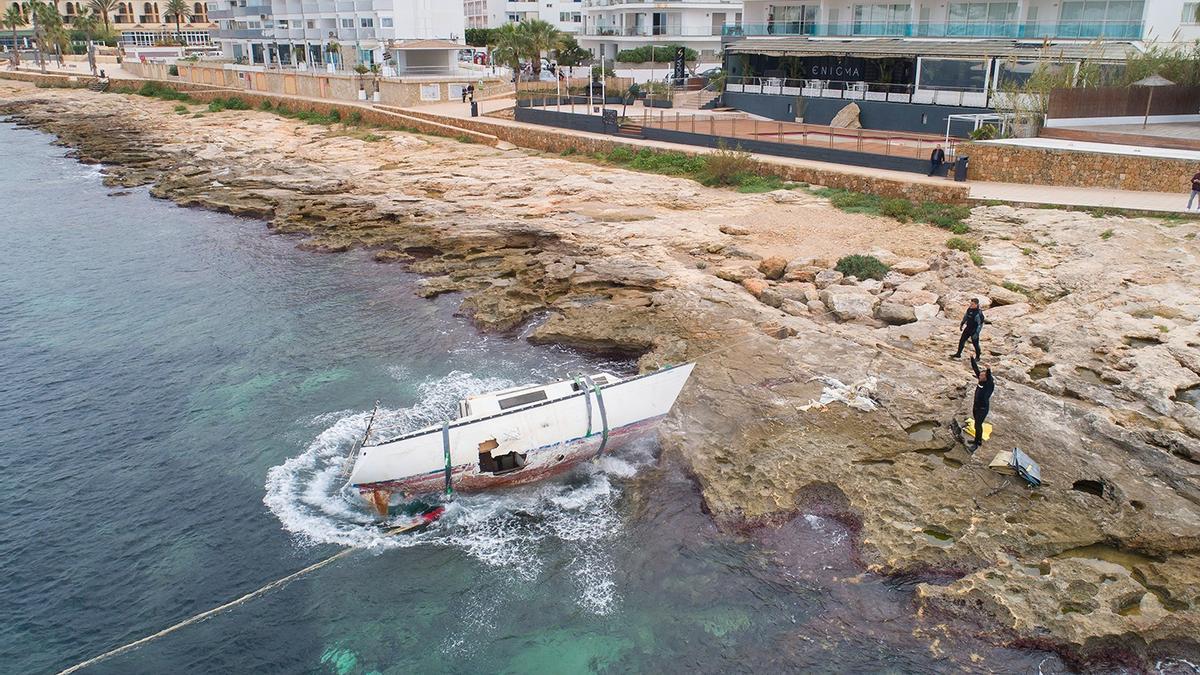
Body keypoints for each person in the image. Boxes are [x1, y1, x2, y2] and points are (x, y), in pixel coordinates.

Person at [969, 356, 994, 450]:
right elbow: (975, 369)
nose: (980, 376)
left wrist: (989, 369)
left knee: (978, 425)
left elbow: (990, 377)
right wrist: (971, 358)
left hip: (983, 409)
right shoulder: (980, 379)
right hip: (976, 406)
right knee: (976, 424)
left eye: (982, 376)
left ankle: (976, 443)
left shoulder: (989, 384)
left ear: (986, 377)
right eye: (980, 375)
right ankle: (977, 439)